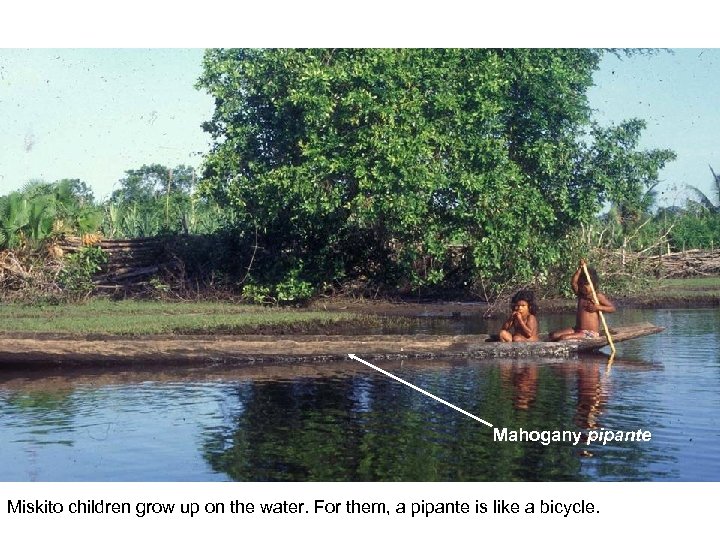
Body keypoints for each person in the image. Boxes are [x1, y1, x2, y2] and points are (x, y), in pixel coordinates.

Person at [549, 260, 616, 341]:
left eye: (587, 284)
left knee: (563, 338)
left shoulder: (597, 296)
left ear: (593, 284)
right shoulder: (581, 295)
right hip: (578, 329)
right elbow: (573, 283)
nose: (584, 287)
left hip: (590, 333)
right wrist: (580, 269)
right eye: (582, 284)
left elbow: (612, 308)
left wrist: (598, 307)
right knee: (553, 335)